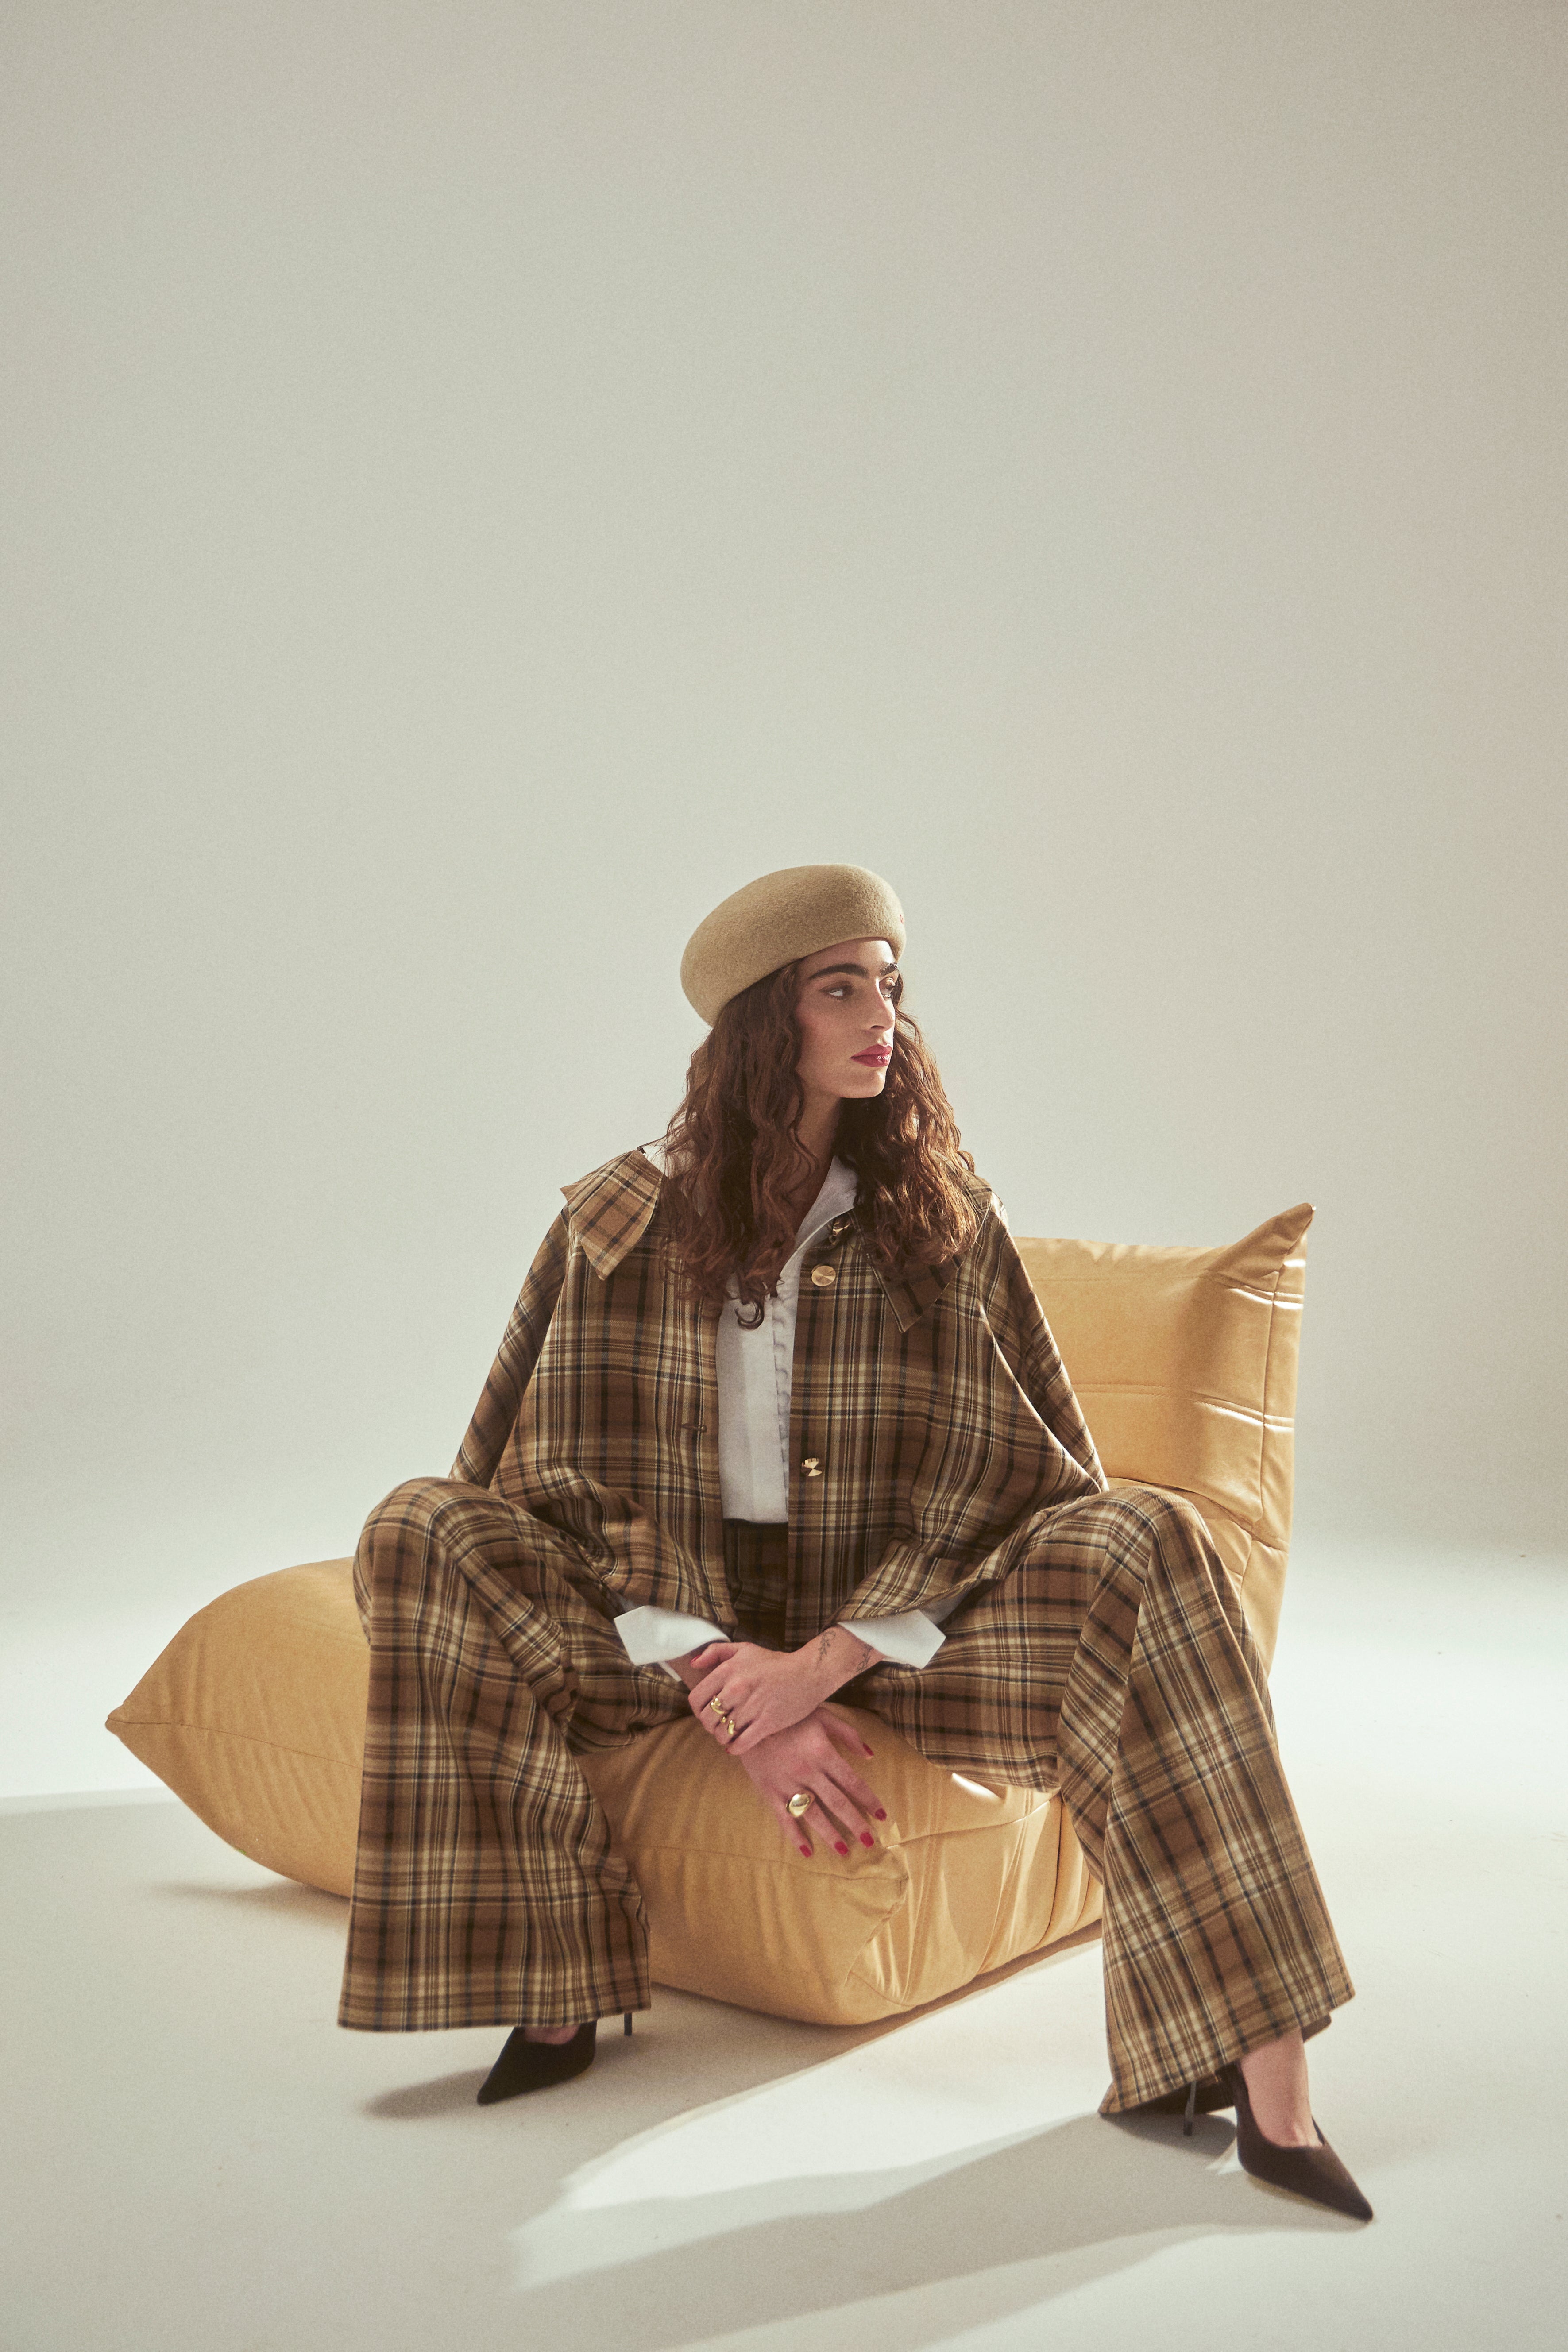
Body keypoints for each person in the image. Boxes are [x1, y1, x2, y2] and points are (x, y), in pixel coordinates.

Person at [339, 862, 1371, 2221]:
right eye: (842, 988)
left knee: (1155, 1536)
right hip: (663, 1616)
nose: (883, 1017)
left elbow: (1009, 1471)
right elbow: (559, 1486)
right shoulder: (618, 1224)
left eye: (889, 984)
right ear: (765, 1021)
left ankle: (1267, 2077)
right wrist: (735, 1695)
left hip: (896, 1624)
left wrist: (820, 1664)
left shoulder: (938, 1216)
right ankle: (555, 1978)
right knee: (416, 1526)